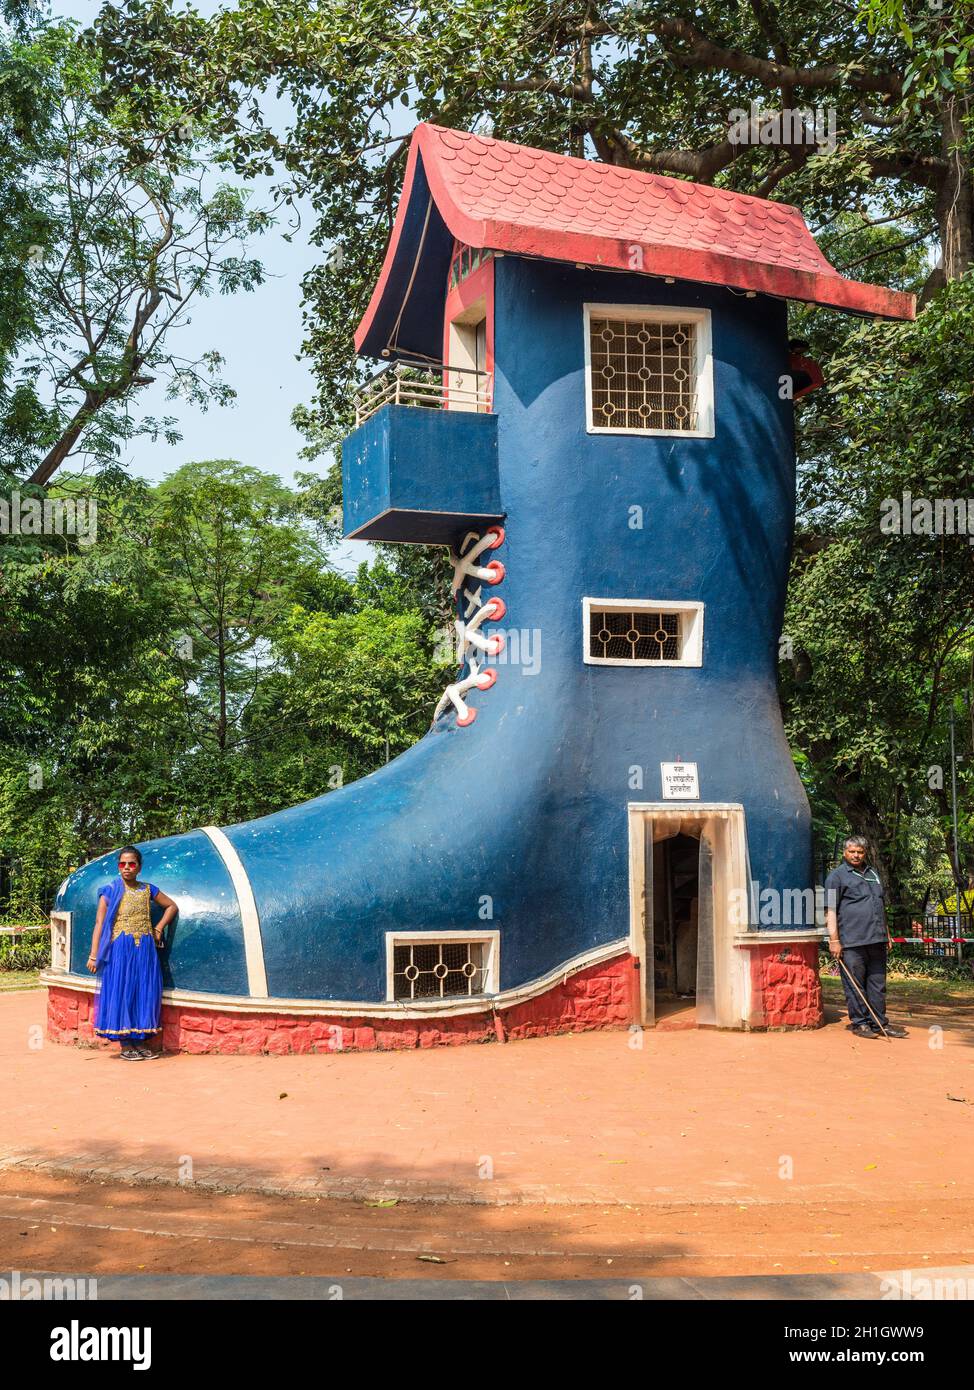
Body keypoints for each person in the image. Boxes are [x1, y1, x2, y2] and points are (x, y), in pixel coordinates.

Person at [86, 846, 178, 1060]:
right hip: (120, 948)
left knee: (143, 990)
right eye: (122, 864)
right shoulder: (109, 890)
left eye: (131, 864)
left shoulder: (148, 889)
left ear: (139, 867)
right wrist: (94, 954)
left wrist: (158, 928)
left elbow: (171, 907)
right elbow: (99, 923)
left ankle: (140, 1040)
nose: (126, 868)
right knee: (122, 989)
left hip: (145, 948)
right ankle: (126, 1044)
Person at [825, 836, 907, 1040]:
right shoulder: (836, 877)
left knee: (878, 984)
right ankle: (860, 1024)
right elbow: (830, 910)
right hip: (851, 941)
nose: (856, 855)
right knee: (855, 984)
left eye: (860, 852)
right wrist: (834, 940)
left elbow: (879, 905)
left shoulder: (873, 874)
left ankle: (879, 1023)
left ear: (865, 853)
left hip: (876, 939)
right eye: (852, 851)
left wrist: (886, 932)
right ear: (845, 852)